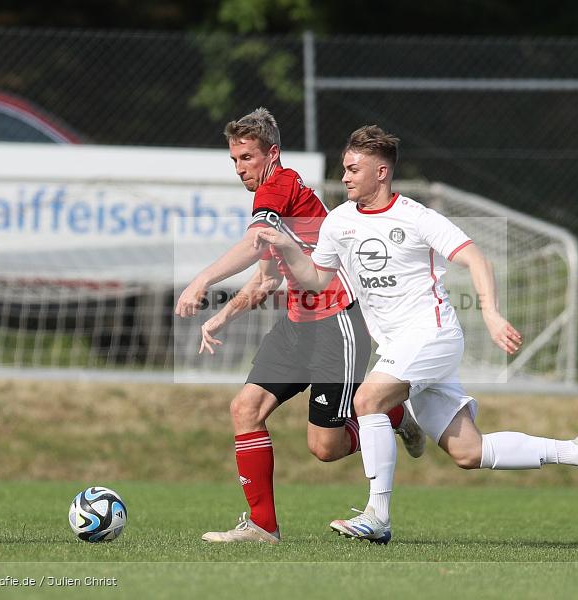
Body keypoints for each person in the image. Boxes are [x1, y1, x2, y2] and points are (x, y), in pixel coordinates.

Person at [255, 125, 578, 544]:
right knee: (470, 452)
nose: (344, 177)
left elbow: (476, 259)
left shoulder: (416, 217)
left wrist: (490, 312)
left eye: (353, 169)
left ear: (381, 172)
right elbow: (318, 279)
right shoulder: (338, 222)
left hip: (433, 335)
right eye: (344, 168)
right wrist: (286, 248)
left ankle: (378, 515)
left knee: (368, 400)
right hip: (400, 347)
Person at [173, 108, 424, 544]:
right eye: (234, 160)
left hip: (337, 323)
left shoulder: (281, 185)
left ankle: (395, 412)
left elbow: (253, 244)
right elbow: (268, 278)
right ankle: (262, 526)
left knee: (325, 449)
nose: (240, 168)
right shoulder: (274, 200)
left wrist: (202, 279)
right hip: (296, 326)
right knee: (244, 410)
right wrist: (222, 315)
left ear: (272, 153)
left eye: (247, 158)